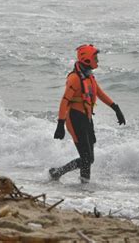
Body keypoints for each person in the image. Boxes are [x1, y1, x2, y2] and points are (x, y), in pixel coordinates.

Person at [50, 44, 126, 183]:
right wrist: (60, 124)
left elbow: (100, 94)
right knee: (86, 158)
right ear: (86, 59)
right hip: (75, 118)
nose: (98, 61)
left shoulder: (89, 77)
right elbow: (64, 101)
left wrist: (116, 109)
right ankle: (65, 175)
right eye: (95, 58)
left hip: (87, 119)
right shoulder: (75, 79)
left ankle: (76, 181)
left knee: (89, 158)